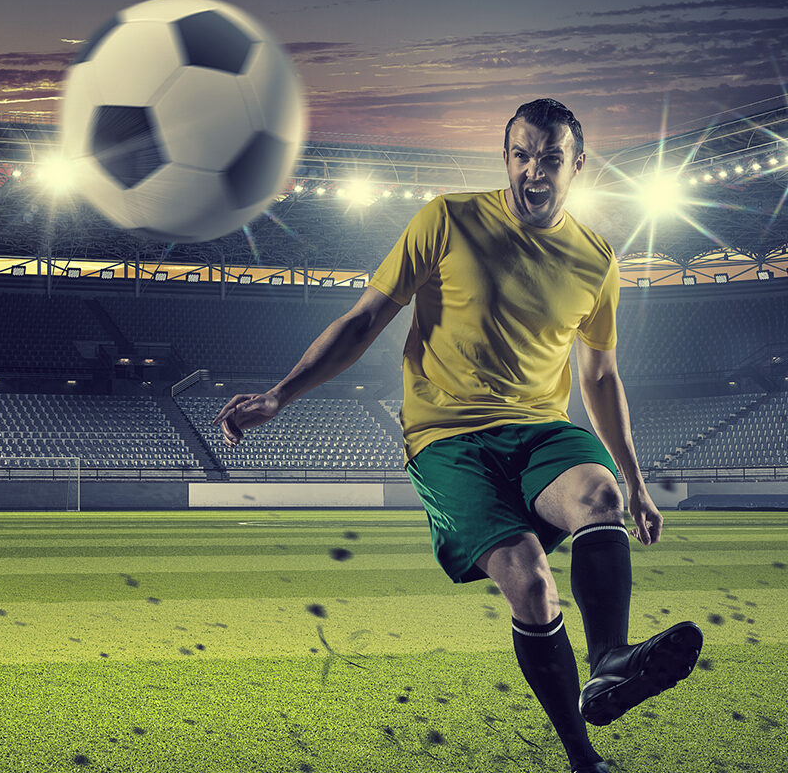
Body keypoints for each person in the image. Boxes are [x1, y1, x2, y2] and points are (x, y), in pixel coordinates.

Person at [213, 99, 699, 773]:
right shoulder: (446, 220)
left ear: (578, 165)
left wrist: (639, 483)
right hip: (447, 439)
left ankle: (610, 661)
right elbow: (364, 320)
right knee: (530, 582)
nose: (534, 170)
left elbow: (602, 376)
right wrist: (280, 394)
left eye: (551, 158)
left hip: (539, 431)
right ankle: (583, 756)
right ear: (506, 158)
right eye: (522, 154)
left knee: (600, 496)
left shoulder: (596, 258)